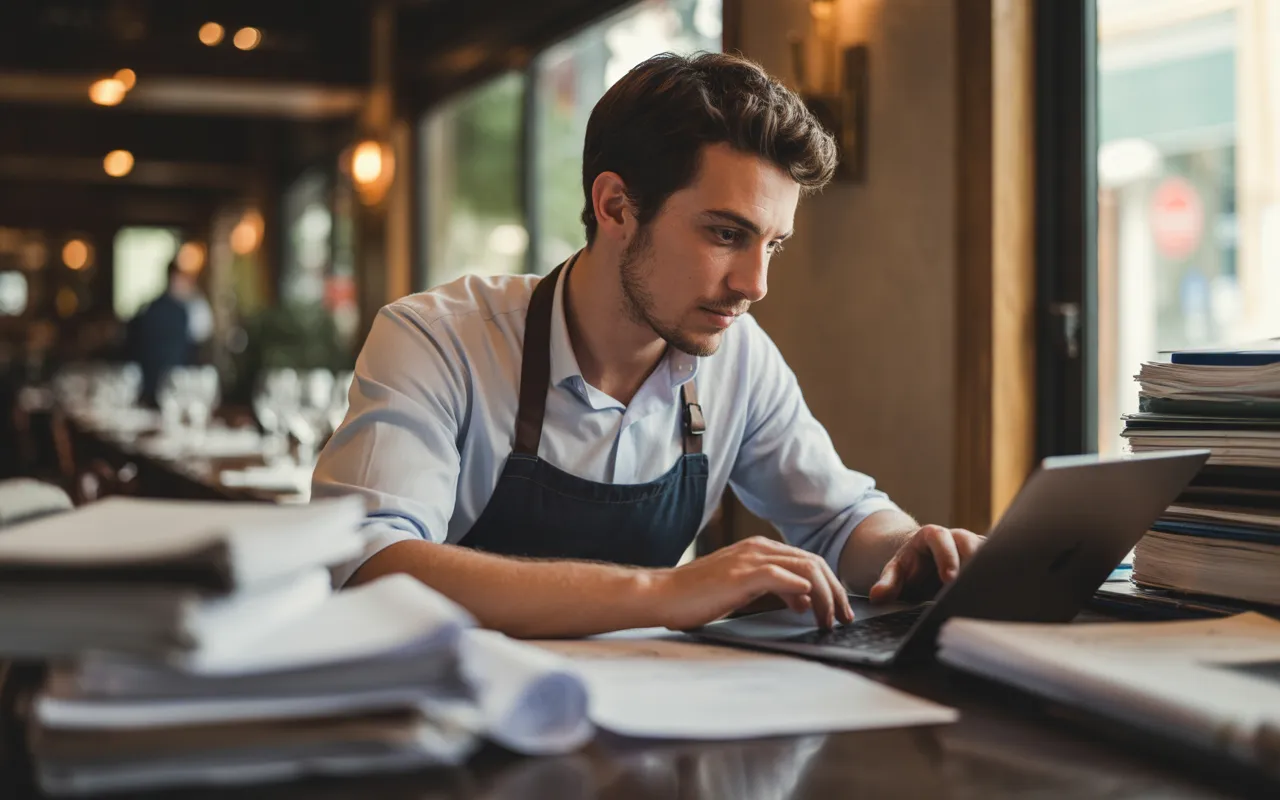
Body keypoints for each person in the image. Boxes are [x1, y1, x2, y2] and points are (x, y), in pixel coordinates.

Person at [313, 52, 984, 638]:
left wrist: (909, 547)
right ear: (615, 208)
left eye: (771, 245)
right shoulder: (438, 339)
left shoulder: (740, 358)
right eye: (725, 234)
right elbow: (372, 565)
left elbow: (840, 520)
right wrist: (665, 593)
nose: (755, 284)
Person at [126, 259, 195, 406]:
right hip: (169, 384)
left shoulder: (149, 308)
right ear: (173, 278)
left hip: (152, 384)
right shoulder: (180, 312)